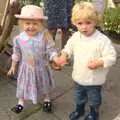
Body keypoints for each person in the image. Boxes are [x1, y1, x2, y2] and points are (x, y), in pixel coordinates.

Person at [54, 2, 116, 120]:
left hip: (94, 80)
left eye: (88, 23)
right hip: (79, 77)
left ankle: (93, 112)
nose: (84, 27)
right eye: (80, 23)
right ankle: (79, 109)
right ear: (75, 23)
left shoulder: (102, 40)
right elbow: (68, 48)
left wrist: (100, 62)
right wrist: (64, 55)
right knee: (78, 96)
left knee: (94, 98)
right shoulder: (76, 37)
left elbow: (111, 56)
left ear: (95, 21)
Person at [7, 4, 60, 114]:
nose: (31, 26)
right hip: (26, 69)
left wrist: (55, 58)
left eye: (35, 23)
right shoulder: (19, 39)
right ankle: (21, 102)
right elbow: (16, 54)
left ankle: (47, 99)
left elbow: (51, 49)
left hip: (42, 67)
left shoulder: (44, 37)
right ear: (21, 24)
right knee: (23, 85)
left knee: (44, 83)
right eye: (27, 23)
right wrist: (13, 66)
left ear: (41, 24)